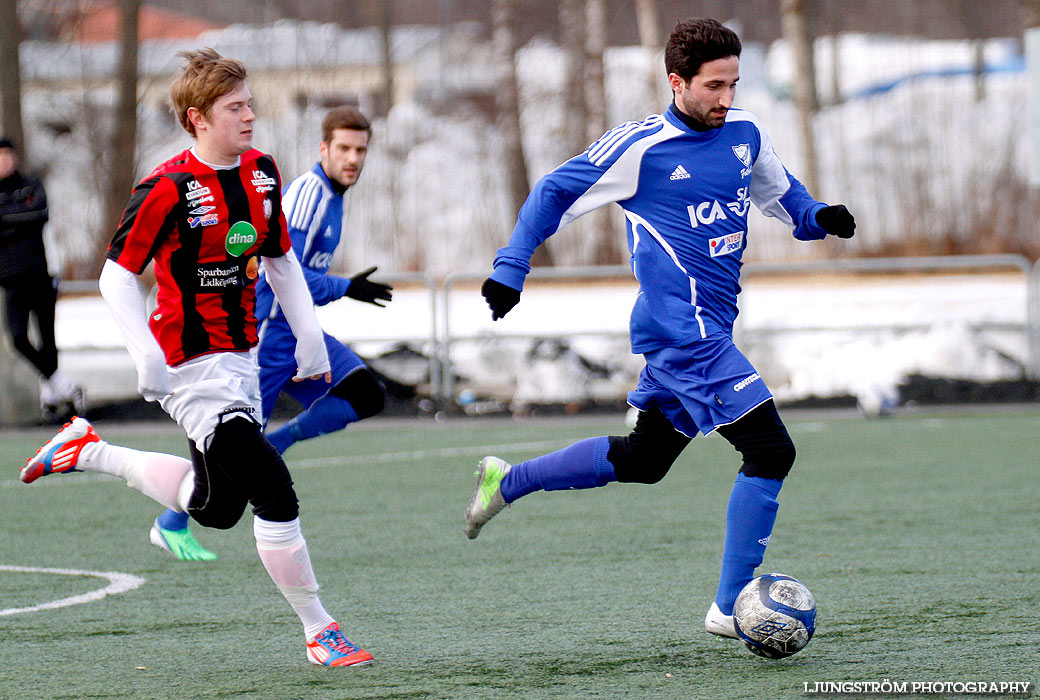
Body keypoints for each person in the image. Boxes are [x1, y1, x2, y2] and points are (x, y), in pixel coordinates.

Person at [463, 18, 856, 642]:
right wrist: (511, 266)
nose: (726, 100)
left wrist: (818, 216)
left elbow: (781, 195)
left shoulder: (745, 133)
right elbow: (552, 192)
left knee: (645, 461)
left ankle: (507, 481)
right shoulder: (640, 148)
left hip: (710, 329)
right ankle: (730, 608)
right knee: (771, 449)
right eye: (712, 87)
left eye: (733, 84)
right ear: (677, 82)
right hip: (684, 338)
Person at [21, 48, 373, 667]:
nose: (250, 116)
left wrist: (311, 341)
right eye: (235, 107)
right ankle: (320, 630)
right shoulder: (166, 188)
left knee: (217, 508)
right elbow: (115, 277)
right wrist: (147, 356)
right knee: (274, 489)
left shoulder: (262, 174)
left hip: (241, 356)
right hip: (190, 365)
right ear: (197, 118)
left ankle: (87, 450)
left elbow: (281, 261)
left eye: (250, 104)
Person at [149, 105, 392, 560]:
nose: (353, 158)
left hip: (296, 332)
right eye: (343, 148)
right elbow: (286, 271)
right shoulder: (310, 195)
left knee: (366, 394)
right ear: (324, 149)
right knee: (227, 459)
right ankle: (170, 520)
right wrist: (346, 287)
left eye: (360, 149)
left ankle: (278, 441)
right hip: (267, 334)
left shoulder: (333, 196)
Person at [0, 137, 84, 422]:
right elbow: (25, 219)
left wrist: (8, 222)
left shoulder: (31, 184)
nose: (4, 161)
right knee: (19, 338)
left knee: (48, 337)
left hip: (39, 273)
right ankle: (65, 386)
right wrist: (19, 222)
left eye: (8, 155)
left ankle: (52, 399)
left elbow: (38, 214)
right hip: (10, 279)